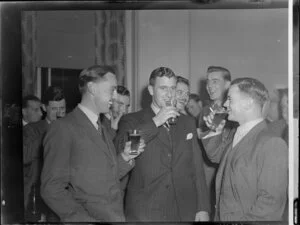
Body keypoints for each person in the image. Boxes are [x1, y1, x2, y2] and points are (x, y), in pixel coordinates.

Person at [40, 65, 144, 222]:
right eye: (112, 89)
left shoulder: (101, 126)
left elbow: (104, 176)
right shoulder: (63, 128)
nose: (115, 96)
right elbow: (51, 189)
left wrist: (124, 157)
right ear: (92, 88)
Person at [114, 66, 210, 222]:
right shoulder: (132, 120)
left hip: (183, 210)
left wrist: (202, 207)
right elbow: (126, 152)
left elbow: (197, 168)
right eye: (163, 88)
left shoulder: (187, 122)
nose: (169, 94)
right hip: (145, 212)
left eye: (172, 88)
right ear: (151, 90)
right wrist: (155, 122)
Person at [202, 77, 288, 221]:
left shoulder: (272, 143)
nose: (225, 103)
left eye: (229, 99)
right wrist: (215, 130)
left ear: (248, 103)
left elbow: (270, 205)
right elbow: (216, 156)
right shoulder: (238, 135)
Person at [23, 86, 67, 221]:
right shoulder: (31, 129)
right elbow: (25, 156)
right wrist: (51, 131)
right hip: (38, 196)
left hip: (64, 196)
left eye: (62, 109)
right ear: (44, 107)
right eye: (54, 109)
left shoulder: (70, 129)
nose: (59, 114)